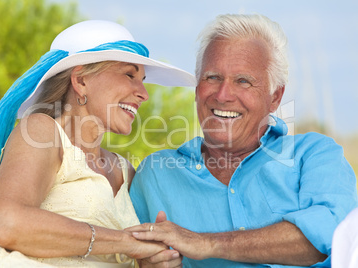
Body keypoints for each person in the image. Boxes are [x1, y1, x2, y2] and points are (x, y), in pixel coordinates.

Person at [0, 20, 195, 267]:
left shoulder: (125, 171)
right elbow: (4, 221)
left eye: (143, 79)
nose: (144, 93)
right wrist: (126, 243)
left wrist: (153, 260)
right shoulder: (41, 131)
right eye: (129, 74)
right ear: (81, 81)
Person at [128, 14, 358, 267]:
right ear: (197, 89)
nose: (223, 95)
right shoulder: (157, 173)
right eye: (212, 77)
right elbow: (129, 256)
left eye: (243, 81)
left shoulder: (314, 155)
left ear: (275, 97)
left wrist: (206, 243)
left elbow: (334, 236)